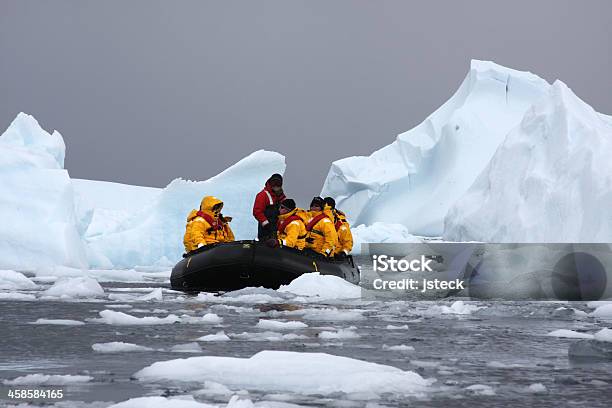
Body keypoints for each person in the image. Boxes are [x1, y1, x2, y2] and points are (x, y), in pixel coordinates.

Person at [253, 173, 286, 241]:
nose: (276, 185)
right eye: (274, 182)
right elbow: (257, 211)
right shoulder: (263, 195)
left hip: (278, 230)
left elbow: (286, 211)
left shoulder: (281, 197)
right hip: (265, 230)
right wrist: (266, 224)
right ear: (270, 183)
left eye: (278, 183)